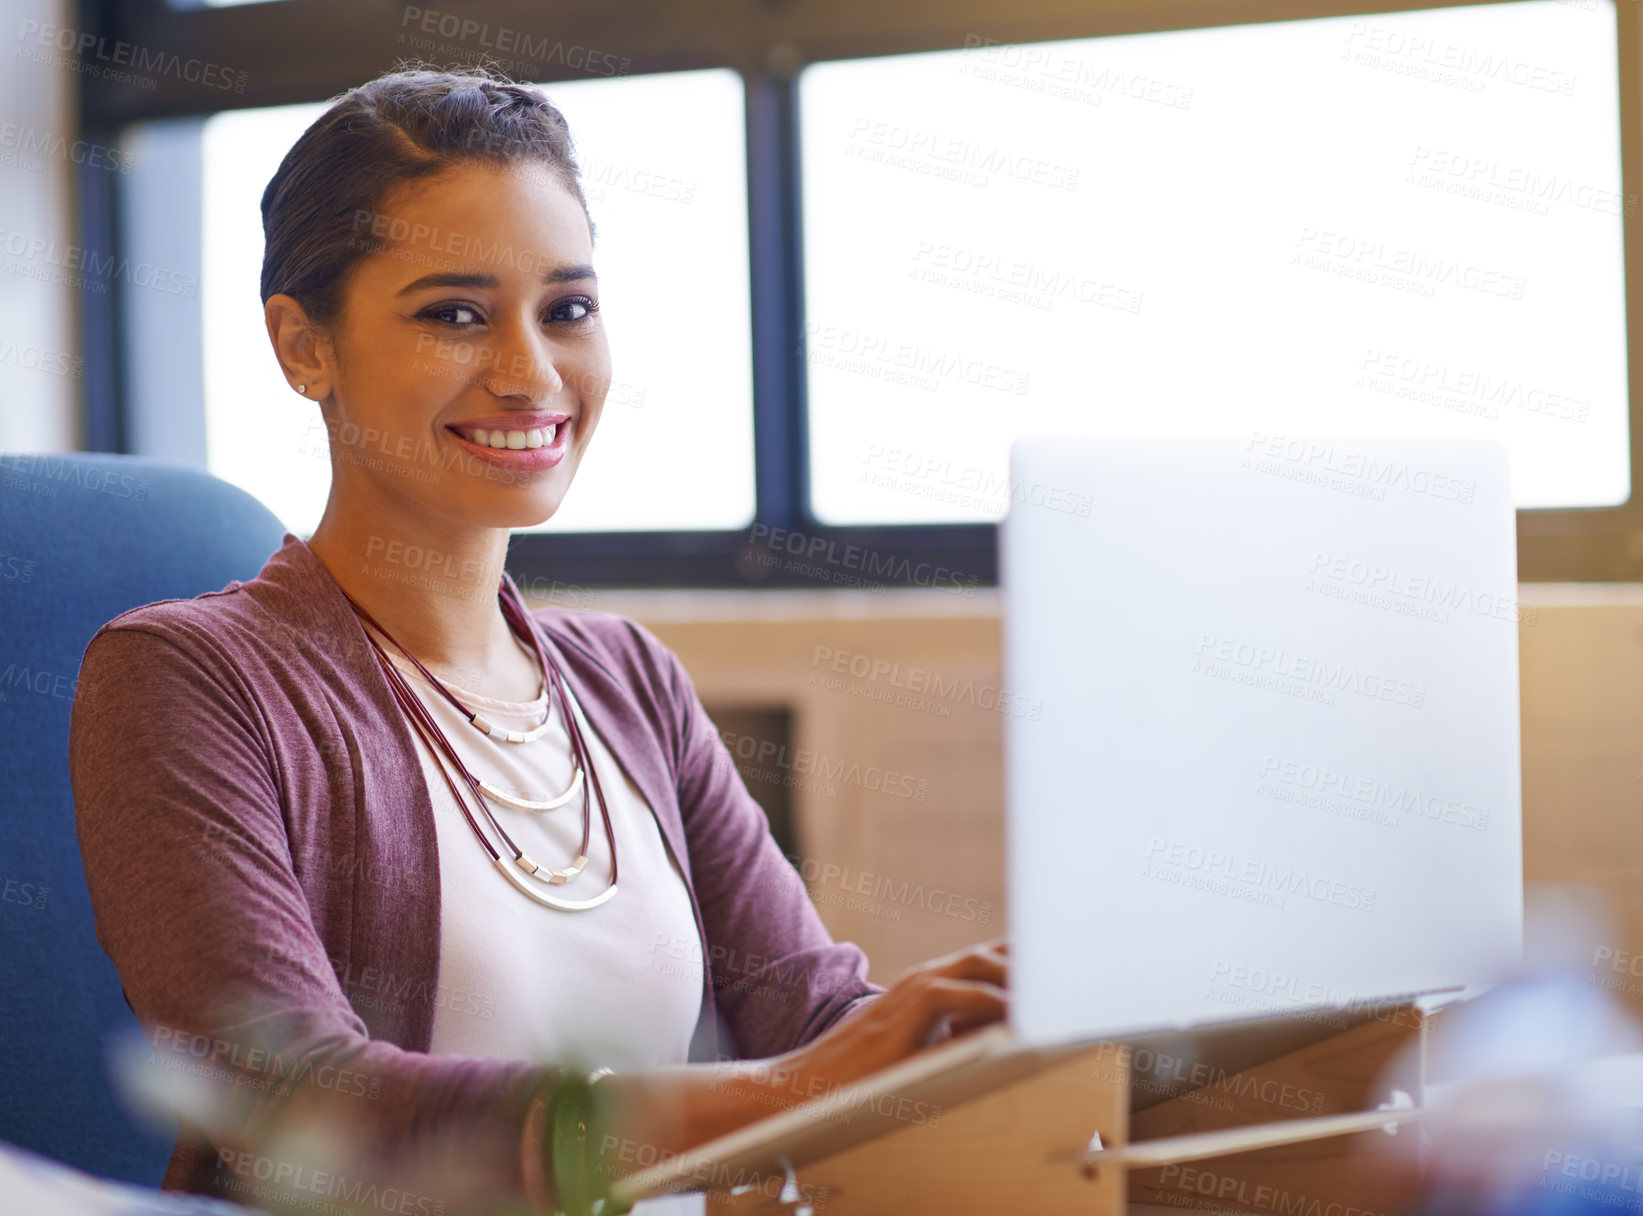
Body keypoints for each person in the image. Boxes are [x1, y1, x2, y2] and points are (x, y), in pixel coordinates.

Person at [69, 64, 1008, 1216]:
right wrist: (793, 1089)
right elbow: (298, 1111)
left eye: (566, 309)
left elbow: (815, 1018)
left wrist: (1008, 1031)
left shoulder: (626, 678)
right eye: (454, 314)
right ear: (303, 346)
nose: (529, 373)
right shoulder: (185, 678)